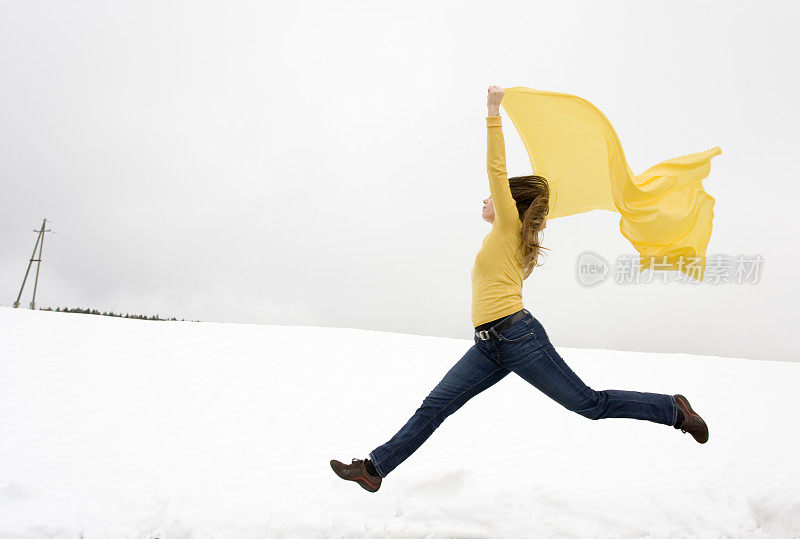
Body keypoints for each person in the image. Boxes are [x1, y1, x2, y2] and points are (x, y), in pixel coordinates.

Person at [330, 85, 709, 493]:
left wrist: (493, 111)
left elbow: (496, 171)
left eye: (493, 198)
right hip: (488, 345)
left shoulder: (508, 227)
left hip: (517, 336)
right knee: (435, 406)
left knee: (589, 404)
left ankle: (673, 410)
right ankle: (374, 469)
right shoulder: (508, 237)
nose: (485, 201)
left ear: (509, 203)